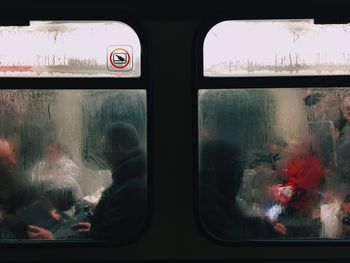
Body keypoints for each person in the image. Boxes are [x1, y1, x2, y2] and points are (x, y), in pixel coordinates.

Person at [31, 122, 147, 243]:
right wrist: (95, 229)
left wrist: (52, 238)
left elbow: (111, 241)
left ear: (118, 148)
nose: (102, 153)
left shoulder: (131, 189)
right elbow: (112, 227)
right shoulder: (128, 177)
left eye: (105, 147)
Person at [199, 139, 281, 241]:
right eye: (235, 168)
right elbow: (233, 237)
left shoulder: (219, 202)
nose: (240, 176)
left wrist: (265, 226)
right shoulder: (209, 208)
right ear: (215, 169)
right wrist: (265, 230)